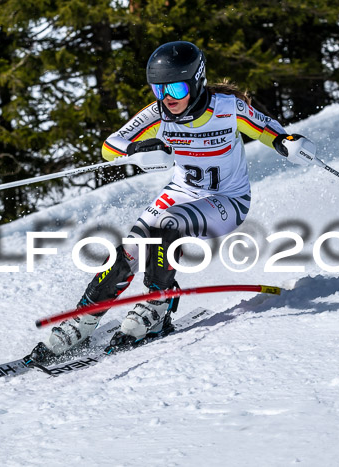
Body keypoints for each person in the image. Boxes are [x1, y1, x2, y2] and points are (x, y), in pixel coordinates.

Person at [25, 40, 314, 363]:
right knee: (131, 247)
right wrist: (137, 152)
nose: (167, 99)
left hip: (227, 201)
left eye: (175, 89)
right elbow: (111, 147)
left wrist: (287, 143)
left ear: (196, 80)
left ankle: (157, 304)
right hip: (181, 192)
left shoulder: (226, 107)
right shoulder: (158, 113)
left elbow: (266, 129)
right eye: (158, 90)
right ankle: (85, 317)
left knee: (168, 223)